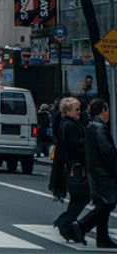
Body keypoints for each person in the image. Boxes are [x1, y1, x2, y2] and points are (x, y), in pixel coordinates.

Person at [73, 98, 117, 248]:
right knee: (109, 203)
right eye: (107, 111)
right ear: (103, 111)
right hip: (103, 174)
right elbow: (108, 153)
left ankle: (103, 238)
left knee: (103, 203)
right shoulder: (99, 128)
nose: (109, 114)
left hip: (95, 172)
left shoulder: (91, 126)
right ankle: (81, 226)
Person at [49, 96, 91, 243]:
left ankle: (68, 228)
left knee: (77, 199)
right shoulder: (71, 126)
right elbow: (78, 148)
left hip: (72, 168)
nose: (79, 112)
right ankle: (64, 223)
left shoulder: (66, 124)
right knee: (84, 197)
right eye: (77, 109)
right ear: (68, 110)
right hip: (77, 168)